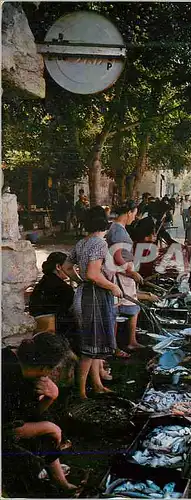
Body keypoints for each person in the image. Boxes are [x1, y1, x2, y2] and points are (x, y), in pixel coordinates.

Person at [2, 333, 79, 495]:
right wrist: (50, 428)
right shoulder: (7, 376)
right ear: (45, 368)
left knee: (48, 423)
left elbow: (30, 414)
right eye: (51, 370)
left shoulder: (24, 367)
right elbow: (7, 431)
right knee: (29, 464)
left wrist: (50, 398)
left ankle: (61, 483)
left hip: (9, 424)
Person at [67, 207, 122, 399]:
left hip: (84, 293)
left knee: (93, 343)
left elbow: (67, 266)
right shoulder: (99, 243)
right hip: (95, 296)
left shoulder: (82, 242)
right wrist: (112, 287)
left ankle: (97, 384)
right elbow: (92, 274)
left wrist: (78, 280)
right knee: (90, 348)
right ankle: (81, 393)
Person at [106, 201, 145, 354]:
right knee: (119, 311)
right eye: (134, 215)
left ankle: (130, 341)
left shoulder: (118, 228)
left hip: (124, 273)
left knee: (131, 308)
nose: (134, 218)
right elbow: (117, 257)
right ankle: (116, 346)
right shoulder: (117, 230)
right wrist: (131, 272)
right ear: (129, 212)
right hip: (122, 275)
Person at [29, 252, 79, 350]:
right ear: (58, 267)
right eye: (69, 268)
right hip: (57, 329)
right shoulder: (63, 288)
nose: (71, 271)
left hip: (41, 327)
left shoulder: (44, 281)